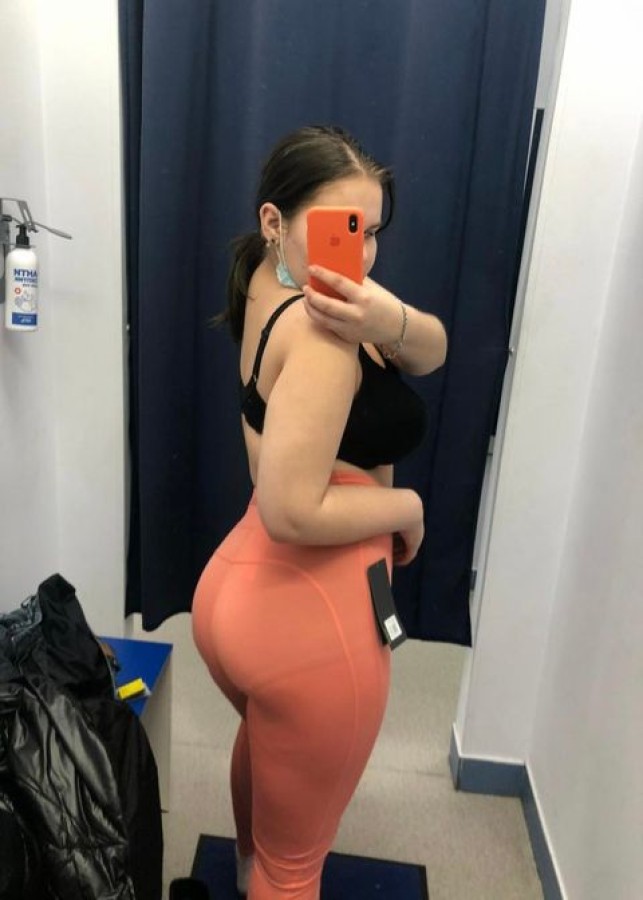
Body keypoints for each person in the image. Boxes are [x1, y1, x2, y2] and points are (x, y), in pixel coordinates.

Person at [192, 125, 447, 899]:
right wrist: (406, 506)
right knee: (295, 869)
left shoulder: (270, 285)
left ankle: (247, 875)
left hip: (241, 595)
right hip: (311, 619)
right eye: (341, 227)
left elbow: (431, 348)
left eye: (370, 230)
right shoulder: (323, 332)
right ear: (274, 221)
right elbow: (293, 511)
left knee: (265, 769)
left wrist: (387, 321)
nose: (361, 253)